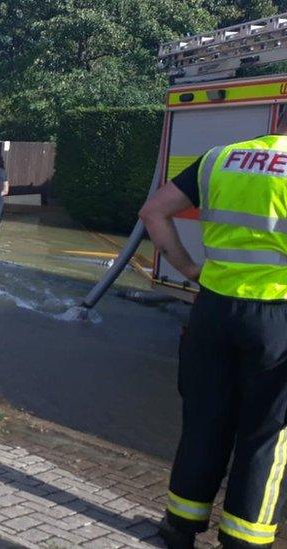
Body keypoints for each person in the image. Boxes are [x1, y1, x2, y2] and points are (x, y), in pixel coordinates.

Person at [139, 113, 287, 548]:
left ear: (276, 117)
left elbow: (153, 212)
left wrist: (188, 269)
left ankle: (179, 527)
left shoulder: (218, 159)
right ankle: (244, 539)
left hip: (213, 311)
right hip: (277, 319)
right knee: (267, 433)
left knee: (204, 420)